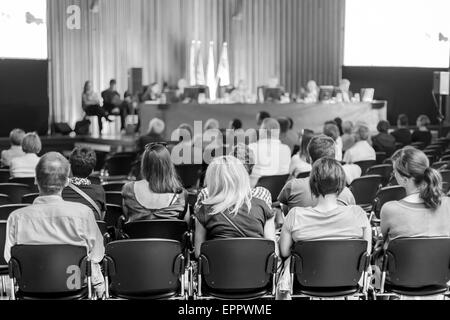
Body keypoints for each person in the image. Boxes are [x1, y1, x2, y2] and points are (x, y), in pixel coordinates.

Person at [4, 152, 105, 297]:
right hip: (73, 287)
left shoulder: (16, 218)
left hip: (31, 289)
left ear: (36, 180)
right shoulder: (84, 214)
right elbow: (97, 255)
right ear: (66, 182)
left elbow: (10, 258)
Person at [279, 157, 371, 258]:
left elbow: (284, 252)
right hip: (349, 273)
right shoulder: (358, 214)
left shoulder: (295, 215)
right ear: (341, 185)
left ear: (312, 185)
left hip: (306, 273)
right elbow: (366, 255)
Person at [194, 156, 276, 257]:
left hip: (218, 271)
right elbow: (273, 250)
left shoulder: (204, 210)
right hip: (257, 270)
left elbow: (199, 253)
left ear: (212, 180)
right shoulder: (262, 205)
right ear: (242, 176)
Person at [380, 147, 450, 243]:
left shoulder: (390, 209)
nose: (393, 175)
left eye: (394, 172)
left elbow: (384, 240)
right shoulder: (447, 204)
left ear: (404, 180)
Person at [278, 135, 356, 213]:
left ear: (309, 159)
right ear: (334, 158)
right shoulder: (346, 194)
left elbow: (285, 212)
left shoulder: (292, 187)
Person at [122, 143, 189, 223]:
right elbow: (184, 227)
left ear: (144, 165)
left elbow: (127, 220)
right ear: (168, 165)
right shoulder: (181, 195)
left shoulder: (128, 190)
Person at [62, 147, 106, 221]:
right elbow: (100, 221)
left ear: (70, 166)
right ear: (92, 170)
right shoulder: (99, 191)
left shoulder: (59, 190)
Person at [249, 118, 291, 186]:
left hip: (254, 192)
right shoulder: (286, 149)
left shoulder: (252, 148)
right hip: (279, 193)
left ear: (263, 131)